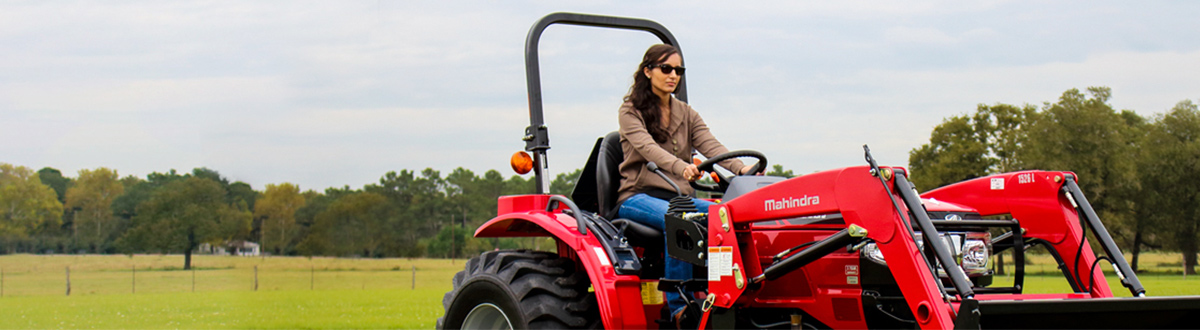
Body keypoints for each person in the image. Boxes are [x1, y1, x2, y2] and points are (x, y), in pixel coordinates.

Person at [615, 44, 754, 327]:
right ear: (648, 71)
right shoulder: (631, 111)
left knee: (726, 214)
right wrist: (681, 167)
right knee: (680, 218)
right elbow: (647, 148)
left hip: (678, 195)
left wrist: (742, 169)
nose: (673, 75)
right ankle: (680, 309)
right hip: (639, 195)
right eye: (666, 69)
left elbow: (710, 145)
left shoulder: (686, 112)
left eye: (678, 70)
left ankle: (729, 293)